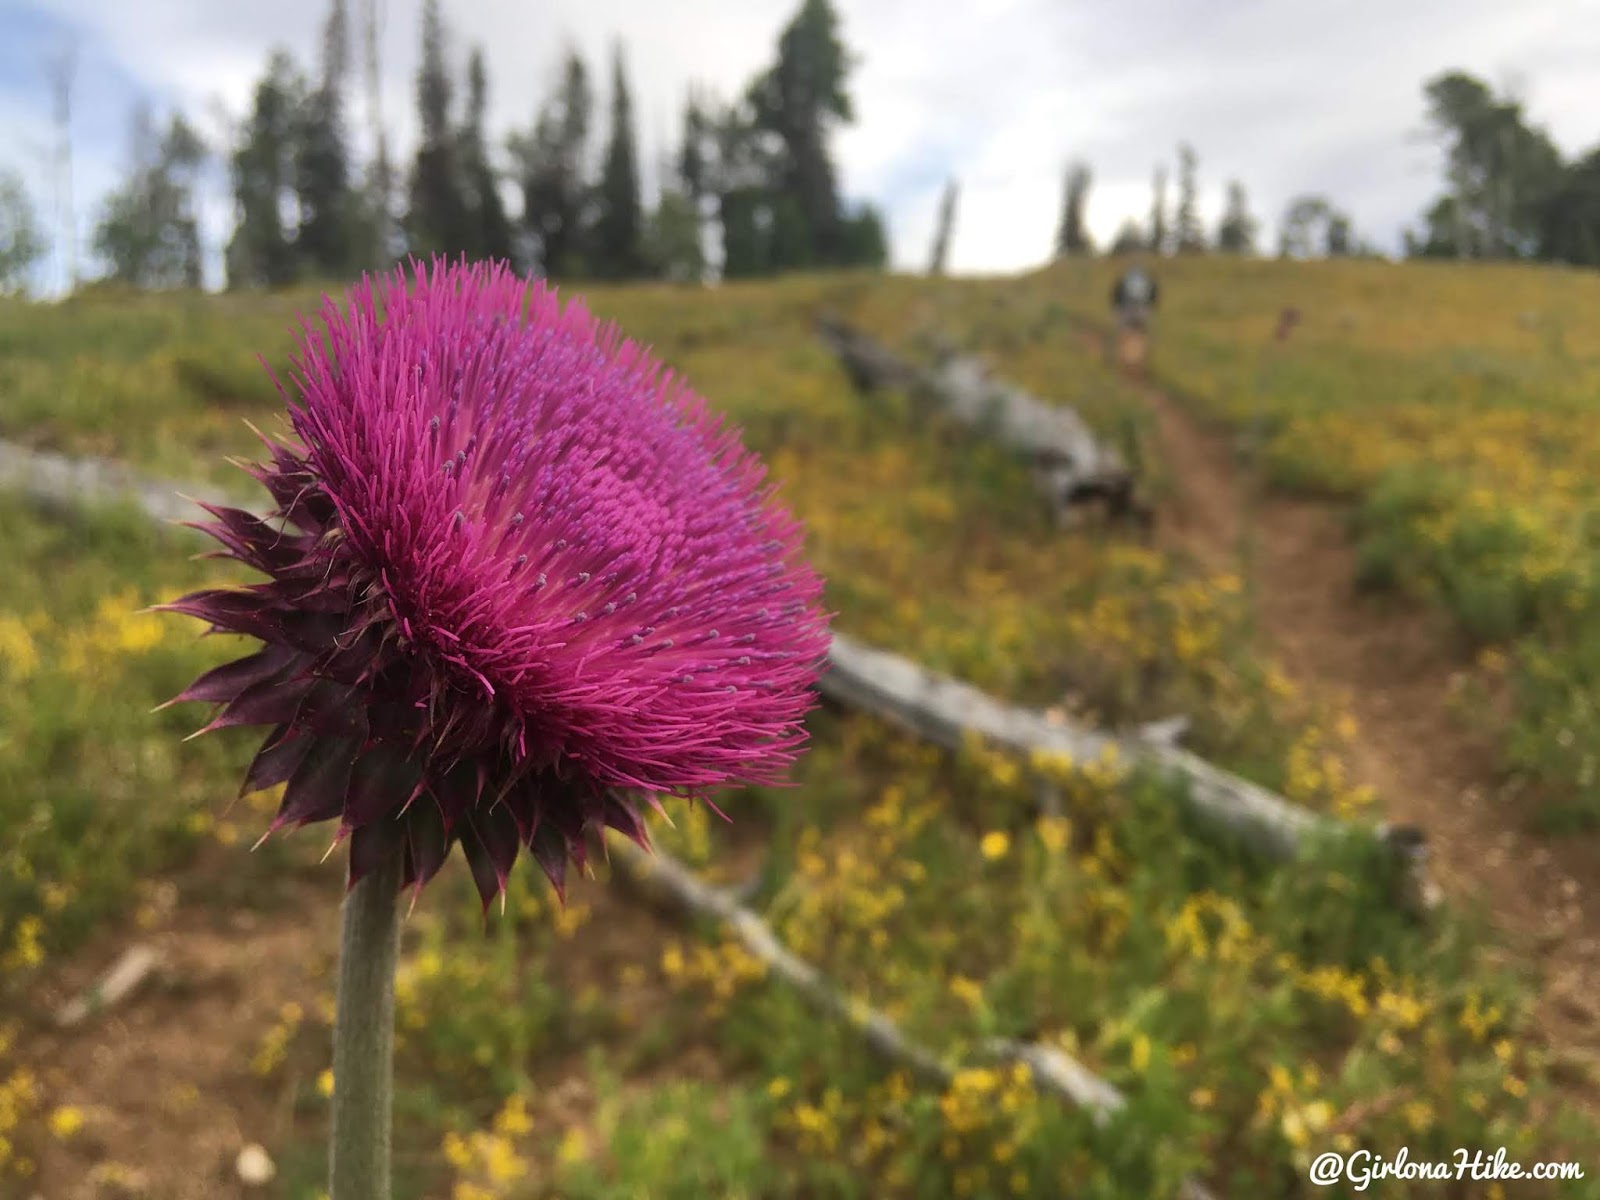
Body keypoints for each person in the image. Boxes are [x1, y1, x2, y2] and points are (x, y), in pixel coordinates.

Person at [1109, 259, 1159, 370]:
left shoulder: (1123, 280)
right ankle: (1138, 359)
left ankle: (1125, 358)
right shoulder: (1147, 280)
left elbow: (1116, 294)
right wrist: (1150, 308)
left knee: (1125, 334)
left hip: (1126, 310)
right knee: (1140, 334)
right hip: (1143, 310)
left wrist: (1116, 308)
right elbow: (1154, 294)